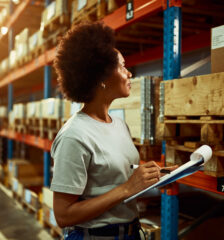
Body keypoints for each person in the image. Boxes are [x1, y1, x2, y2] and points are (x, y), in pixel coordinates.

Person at [50, 22, 176, 240]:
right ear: (102, 79)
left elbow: (118, 178)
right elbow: (63, 215)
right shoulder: (74, 135)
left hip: (130, 233)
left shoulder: (119, 124)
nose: (129, 73)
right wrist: (128, 188)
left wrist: (157, 176)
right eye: (122, 66)